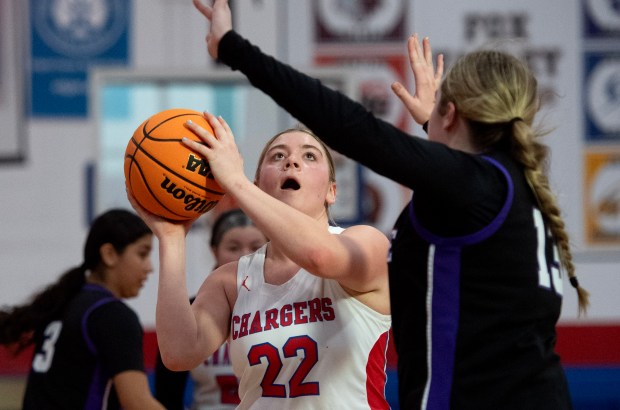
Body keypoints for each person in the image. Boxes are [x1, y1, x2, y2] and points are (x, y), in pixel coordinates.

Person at [190, 1, 590, 409]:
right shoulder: (505, 185)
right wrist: (434, 131)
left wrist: (232, 47)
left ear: (449, 113)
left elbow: (351, 127)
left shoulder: (476, 184)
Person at [128, 121, 392, 409]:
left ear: (332, 191)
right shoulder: (230, 280)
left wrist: (234, 181)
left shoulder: (366, 243)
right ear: (258, 188)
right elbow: (179, 353)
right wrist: (171, 240)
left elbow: (319, 256)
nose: (291, 161)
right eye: (277, 156)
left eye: (309, 156)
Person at [0, 209, 164, 410]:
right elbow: (137, 403)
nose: (149, 267)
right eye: (142, 254)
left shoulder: (61, 303)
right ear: (109, 254)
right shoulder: (112, 315)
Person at [154, 208, 267, 409]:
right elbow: (167, 394)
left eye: (255, 247)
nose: (244, 257)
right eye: (233, 248)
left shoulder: (285, 306)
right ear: (214, 250)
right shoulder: (189, 311)